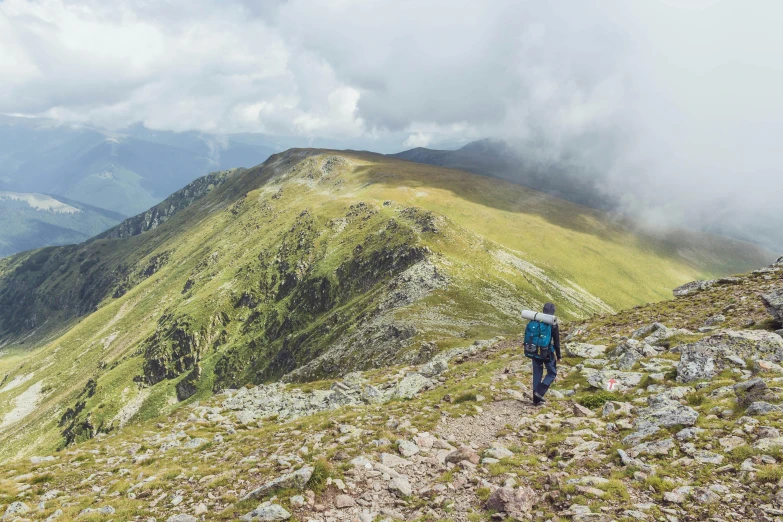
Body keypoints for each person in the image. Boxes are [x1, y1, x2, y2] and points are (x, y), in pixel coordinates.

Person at [531, 302, 560, 405]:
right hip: (547, 352)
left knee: (537, 373)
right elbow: (556, 341)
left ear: (543, 310)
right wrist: (559, 355)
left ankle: (535, 400)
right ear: (553, 312)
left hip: (534, 351)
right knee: (552, 373)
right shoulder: (553, 323)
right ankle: (539, 393)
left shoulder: (535, 319)